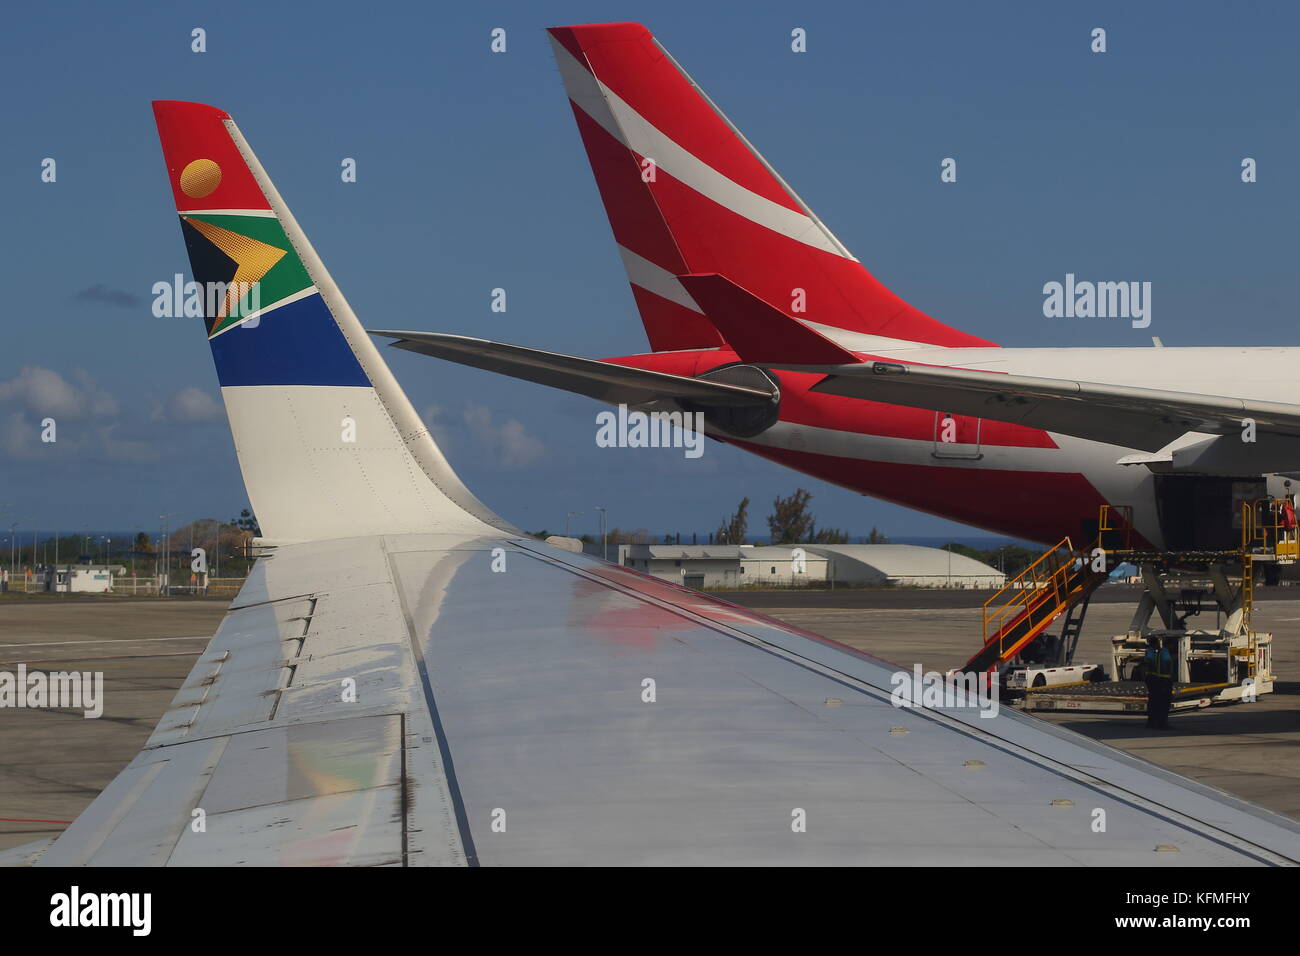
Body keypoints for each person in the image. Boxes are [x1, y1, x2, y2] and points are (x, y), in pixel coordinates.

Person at [1143, 635, 1174, 729]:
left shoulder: (1152, 652)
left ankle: (1152, 722)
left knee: (1153, 702)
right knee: (1163, 703)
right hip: (1163, 680)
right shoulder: (1164, 652)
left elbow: (1148, 662)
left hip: (1152, 679)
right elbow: (1167, 662)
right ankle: (1162, 723)